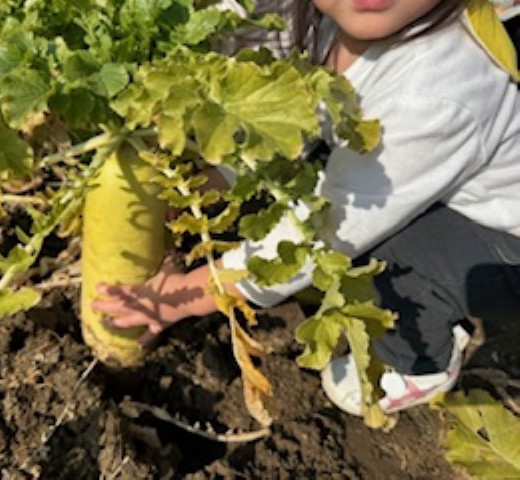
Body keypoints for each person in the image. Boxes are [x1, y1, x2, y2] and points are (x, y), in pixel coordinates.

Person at [92, 0, 520, 417]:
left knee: (383, 262)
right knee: (345, 185)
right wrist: (217, 179)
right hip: (438, 181)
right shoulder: (319, 21)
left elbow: (327, 234)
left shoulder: (433, 92)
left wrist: (183, 299)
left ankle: (420, 364)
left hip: (506, 237)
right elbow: (292, 125)